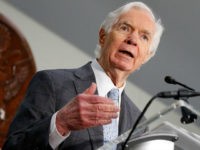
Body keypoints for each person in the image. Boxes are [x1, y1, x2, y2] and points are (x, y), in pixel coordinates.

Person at [2, 1, 164, 150]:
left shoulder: (140, 124)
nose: (133, 40)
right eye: (125, 28)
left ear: (146, 56)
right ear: (103, 36)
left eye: (144, 37)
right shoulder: (52, 83)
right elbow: (12, 147)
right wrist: (60, 123)